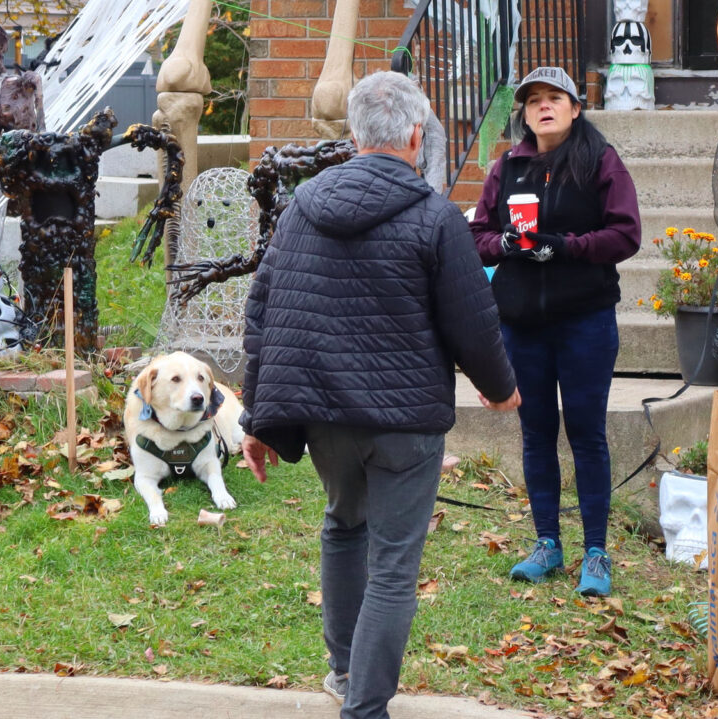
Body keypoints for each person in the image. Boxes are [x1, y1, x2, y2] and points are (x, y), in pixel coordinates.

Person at [239, 71, 520, 719]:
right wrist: (501, 387)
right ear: (417, 135)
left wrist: (257, 416)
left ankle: (344, 673)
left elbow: (262, 313)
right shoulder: (435, 216)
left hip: (323, 417)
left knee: (343, 526)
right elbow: (473, 320)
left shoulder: (303, 205)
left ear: (354, 134)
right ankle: (365, 708)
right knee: (393, 564)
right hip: (406, 423)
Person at [469, 66, 641, 597]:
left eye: (554, 98)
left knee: (587, 433)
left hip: (584, 320)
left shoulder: (600, 160)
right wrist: (506, 245)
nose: (543, 107)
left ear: (575, 108)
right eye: (533, 101)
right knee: (536, 432)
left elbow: (626, 234)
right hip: (523, 325)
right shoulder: (507, 168)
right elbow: (476, 235)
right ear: (524, 114)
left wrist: (565, 247)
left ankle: (596, 552)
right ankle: (547, 543)